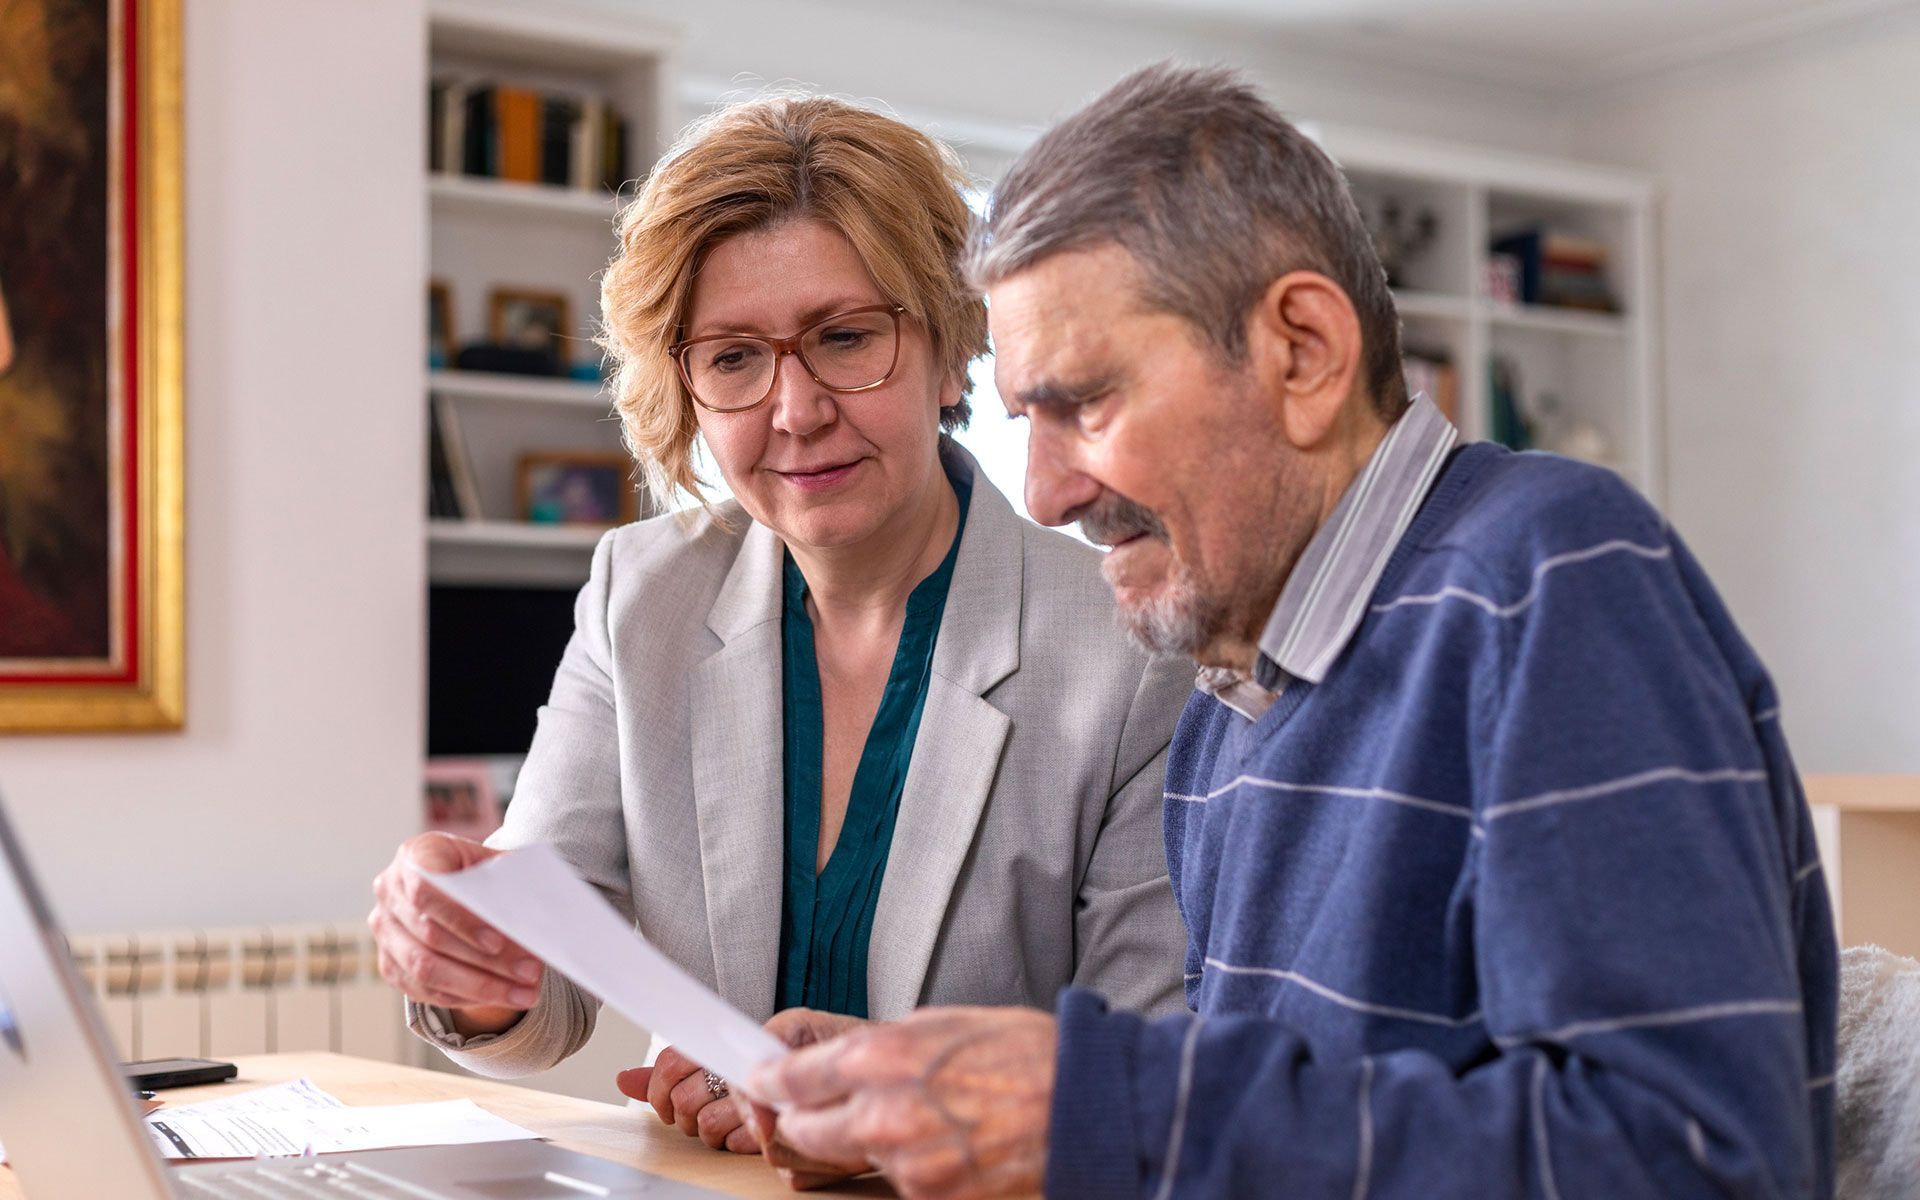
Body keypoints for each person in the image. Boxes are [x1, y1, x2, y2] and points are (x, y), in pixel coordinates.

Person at [742, 64, 1839, 1200]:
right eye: (1028, 422)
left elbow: (1703, 1161)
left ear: (1303, 350)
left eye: (1087, 404)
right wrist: (940, 1099)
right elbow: (1267, 1128)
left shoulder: (1551, 579)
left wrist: (1104, 1108)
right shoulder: (1231, 691)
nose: (1050, 492)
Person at [366, 94, 1194, 1159]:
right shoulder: (640, 594)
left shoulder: (1129, 648)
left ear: (950, 353)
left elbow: (1148, 1068)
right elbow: (543, 992)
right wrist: (472, 962)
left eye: (846, 338)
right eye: (732, 358)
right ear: (686, 391)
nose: (794, 410)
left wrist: (874, 1103)